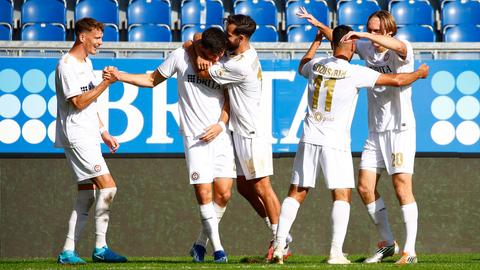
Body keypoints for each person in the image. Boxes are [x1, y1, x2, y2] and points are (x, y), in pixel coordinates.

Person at [271, 25, 428, 265]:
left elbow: (302, 64)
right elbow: (396, 80)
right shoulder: (354, 72)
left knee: (296, 192)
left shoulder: (316, 65)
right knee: (342, 194)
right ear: (352, 46)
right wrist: (418, 74)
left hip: (309, 137)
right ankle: (335, 253)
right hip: (335, 142)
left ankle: (279, 246)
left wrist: (315, 42)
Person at [104, 27, 235, 263]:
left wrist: (221, 124)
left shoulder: (223, 60)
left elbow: (228, 99)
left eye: (220, 54)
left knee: (224, 194)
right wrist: (120, 76)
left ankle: (199, 244)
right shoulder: (180, 56)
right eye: (213, 54)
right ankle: (219, 251)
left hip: (220, 134)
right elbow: (151, 79)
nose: (216, 59)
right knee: (204, 193)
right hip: (195, 138)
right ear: (202, 48)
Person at [184, 14, 293, 260]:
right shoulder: (239, 52)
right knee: (243, 187)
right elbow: (196, 36)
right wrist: (197, 45)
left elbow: (202, 75)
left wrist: (195, 54)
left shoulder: (239, 65)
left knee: (262, 187)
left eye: (229, 34)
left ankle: (280, 241)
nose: (225, 37)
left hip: (251, 132)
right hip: (238, 130)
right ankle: (279, 234)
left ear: (241, 38)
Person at [55, 17, 127, 264]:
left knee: (86, 195)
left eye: (101, 38)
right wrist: (106, 82)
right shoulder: (67, 65)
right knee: (109, 187)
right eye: (96, 38)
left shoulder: (86, 62)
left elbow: (90, 104)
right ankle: (100, 248)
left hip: (88, 133)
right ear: (82, 37)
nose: (100, 42)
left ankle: (67, 251)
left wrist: (103, 132)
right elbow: (78, 102)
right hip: (76, 135)